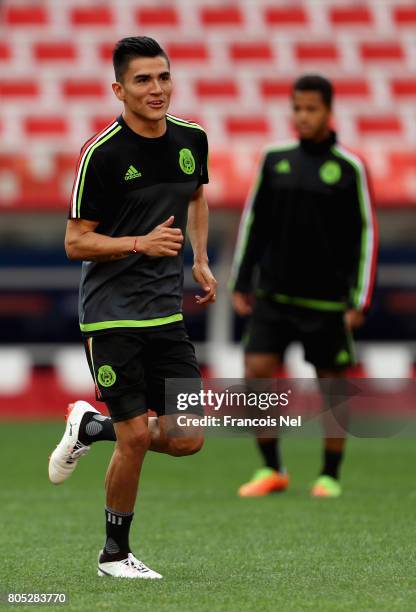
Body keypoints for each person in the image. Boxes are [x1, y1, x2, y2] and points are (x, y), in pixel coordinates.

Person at [48, 36, 216, 579]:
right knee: (137, 437)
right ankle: (114, 555)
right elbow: (76, 242)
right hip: (111, 313)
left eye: (164, 77)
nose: (157, 88)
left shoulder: (193, 138)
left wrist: (201, 258)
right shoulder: (102, 154)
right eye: (143, 80)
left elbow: (195, 195)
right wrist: (139, 243)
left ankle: (89, 428)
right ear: (119, 89)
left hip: (166, 312)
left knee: (188, 436)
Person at [229, 75, 378, 499]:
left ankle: (329, 474)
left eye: (311, 109)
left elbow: (366, 234)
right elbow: (253, 223)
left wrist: (360, 297)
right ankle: (271, 469)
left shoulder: (349, 168)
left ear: (329, 112)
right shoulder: (274, 159)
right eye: (297, 108)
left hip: (327, 301)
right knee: (256, 372)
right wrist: (243, 278)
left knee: (333, 386)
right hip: (273, 296)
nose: (303, 116)